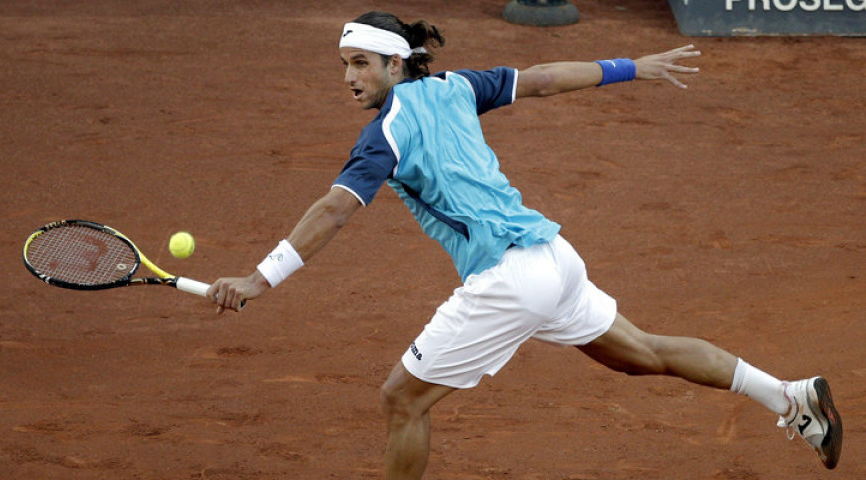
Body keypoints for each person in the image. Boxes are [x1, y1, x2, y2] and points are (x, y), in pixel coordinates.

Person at [207, 11, 842, 478]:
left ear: (394, 64)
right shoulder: (455, 87)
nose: (348, 77)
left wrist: (261, 279)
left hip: (509, 280)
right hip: (556, 259)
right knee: (640, 352)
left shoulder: (384, 135)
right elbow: (538, 78)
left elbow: (333, 210)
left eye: (359, 64)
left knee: (401, 400)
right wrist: (631, 68)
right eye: (344, 65)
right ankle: (787, 395)